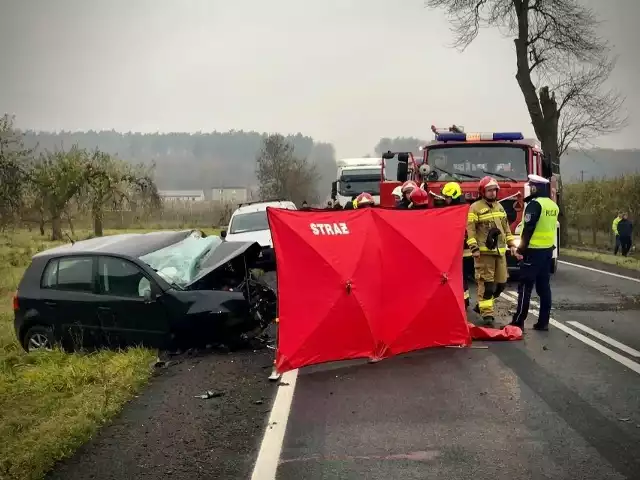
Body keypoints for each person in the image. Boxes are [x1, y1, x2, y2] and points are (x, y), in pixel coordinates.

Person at [509, 174, 559, 331]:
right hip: (547, 252)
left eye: (531, 187)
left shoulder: (534, 205)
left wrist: (520, 249)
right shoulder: (552, 205)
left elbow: (528, 229)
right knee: (544, 288)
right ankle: (543, 322)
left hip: (533, 251)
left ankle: (518, 322)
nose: (530, 189)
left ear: (535, 188)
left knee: (525, 286)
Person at [466, 176, 518, 326]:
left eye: (494, 190)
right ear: (483, 191)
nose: (492, 193)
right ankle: (487, 314)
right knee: (487, 284)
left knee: (501, 284)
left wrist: (512, 245)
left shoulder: (500, 207)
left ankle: (481, 305)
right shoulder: (475, 207)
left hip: (500, 253)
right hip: (484, 254)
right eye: (489, 190)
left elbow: (506, 229)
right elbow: (471, 230)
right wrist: (474, 248)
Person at [440, 182, 471, 308]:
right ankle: (464, 300)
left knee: (459, 276)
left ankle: (462, 301)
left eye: (447, 197)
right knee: (461, 277)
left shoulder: (458, 210)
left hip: (462, 249)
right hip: (460, 249)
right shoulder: (463, 207)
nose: (445, 200)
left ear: (453, 196)